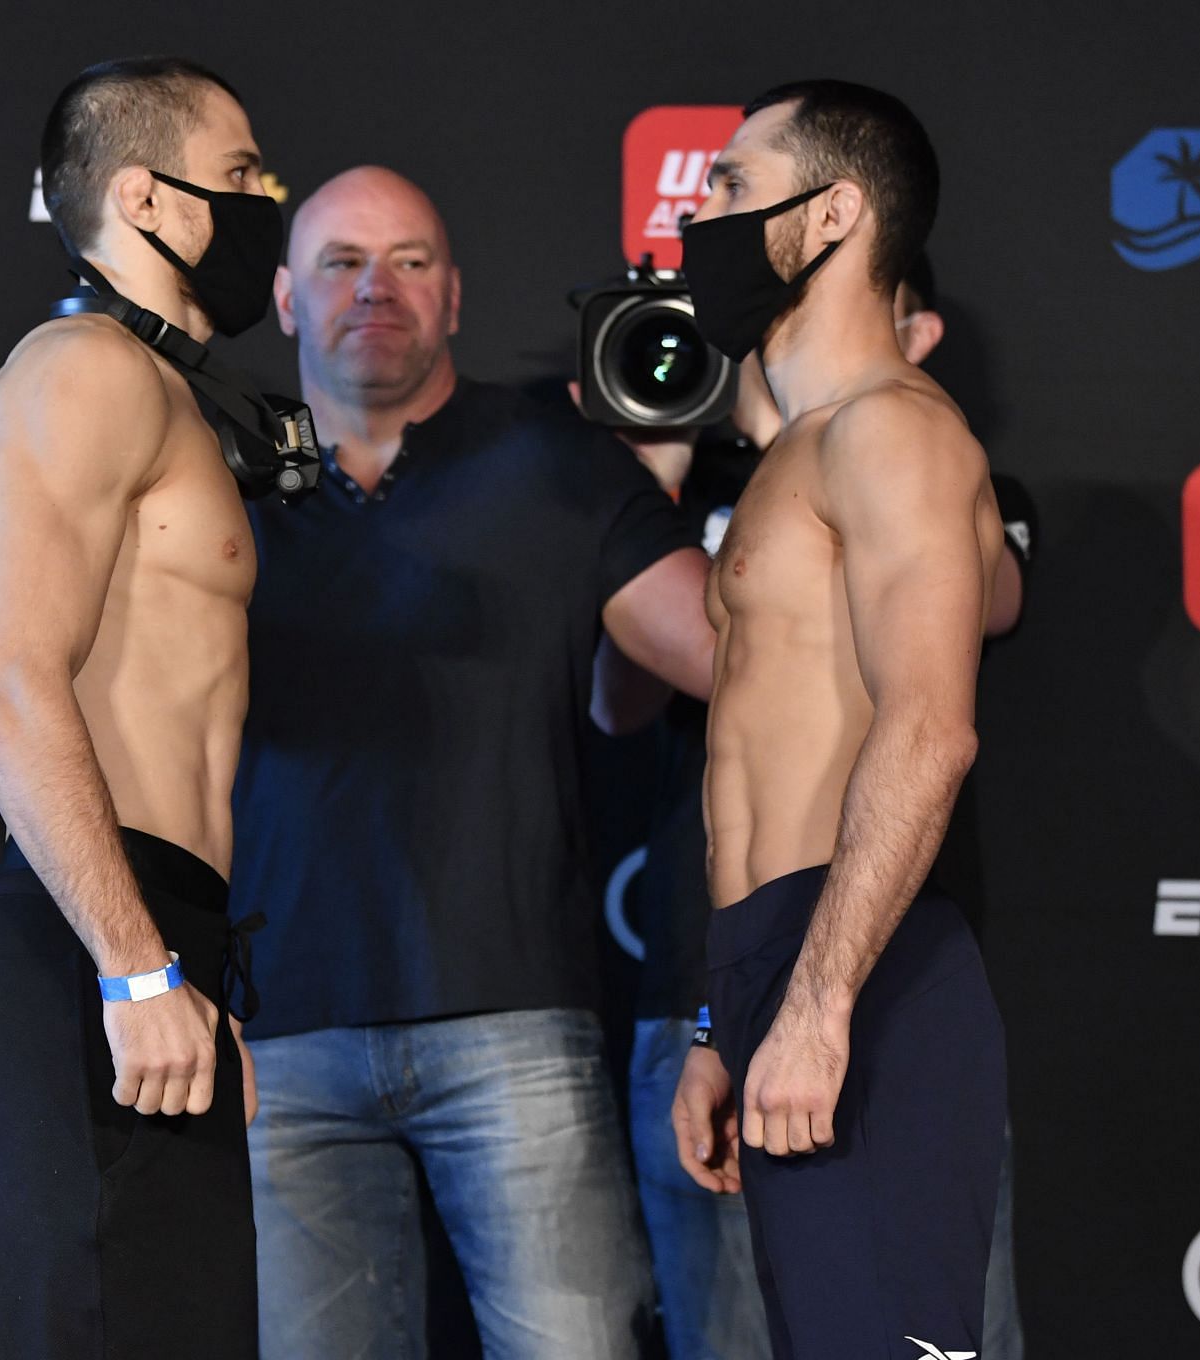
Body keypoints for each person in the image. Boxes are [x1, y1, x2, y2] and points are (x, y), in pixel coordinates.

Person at [232, 164, 718, 1358]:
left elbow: (727, 661)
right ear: (287, 300)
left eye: (407, 261)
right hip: (276, 1034)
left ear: (455, 294)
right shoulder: (220, 471)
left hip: (513, 1023)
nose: (374, 289)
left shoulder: (557, 459)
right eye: (341, 263)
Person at [611, 253, 1033, 1360]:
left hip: (863, 959)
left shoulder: (905, 439)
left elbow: (940, 713)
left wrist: (820, 1001)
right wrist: (721, 1020)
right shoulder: (769, 473)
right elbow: (634, 696)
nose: (709, 227)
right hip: (758, 962)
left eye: (736, 184)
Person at [0, 57, 277, 1359]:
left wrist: (181, 970)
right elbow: (12, 684)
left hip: (160, 935)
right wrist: (134, 965)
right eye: (245, 175)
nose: (269, 201)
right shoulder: (82, 373)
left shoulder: (167, 395)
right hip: (105, 935)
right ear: (146, 195)